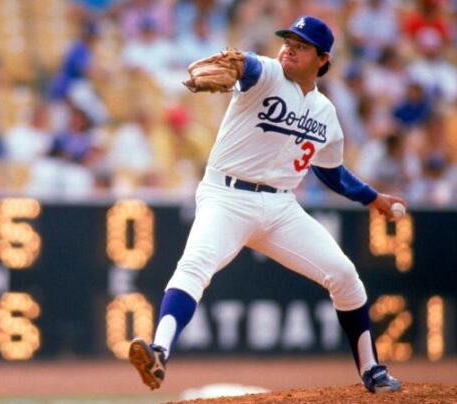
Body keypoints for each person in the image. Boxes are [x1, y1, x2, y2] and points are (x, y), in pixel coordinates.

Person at [129, 16, 405, 394]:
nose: (289, 47)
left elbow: (331, 173)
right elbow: (248, 65)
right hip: (226, 197)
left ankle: (371, 370)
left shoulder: (325, 112)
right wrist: (240, 64)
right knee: (194, 267)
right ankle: (159, 350)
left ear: (322, 59)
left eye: (302, 45)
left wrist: (374, 199)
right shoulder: (270, 73)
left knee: (345, 276)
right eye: (288, 40)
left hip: (280, 209)